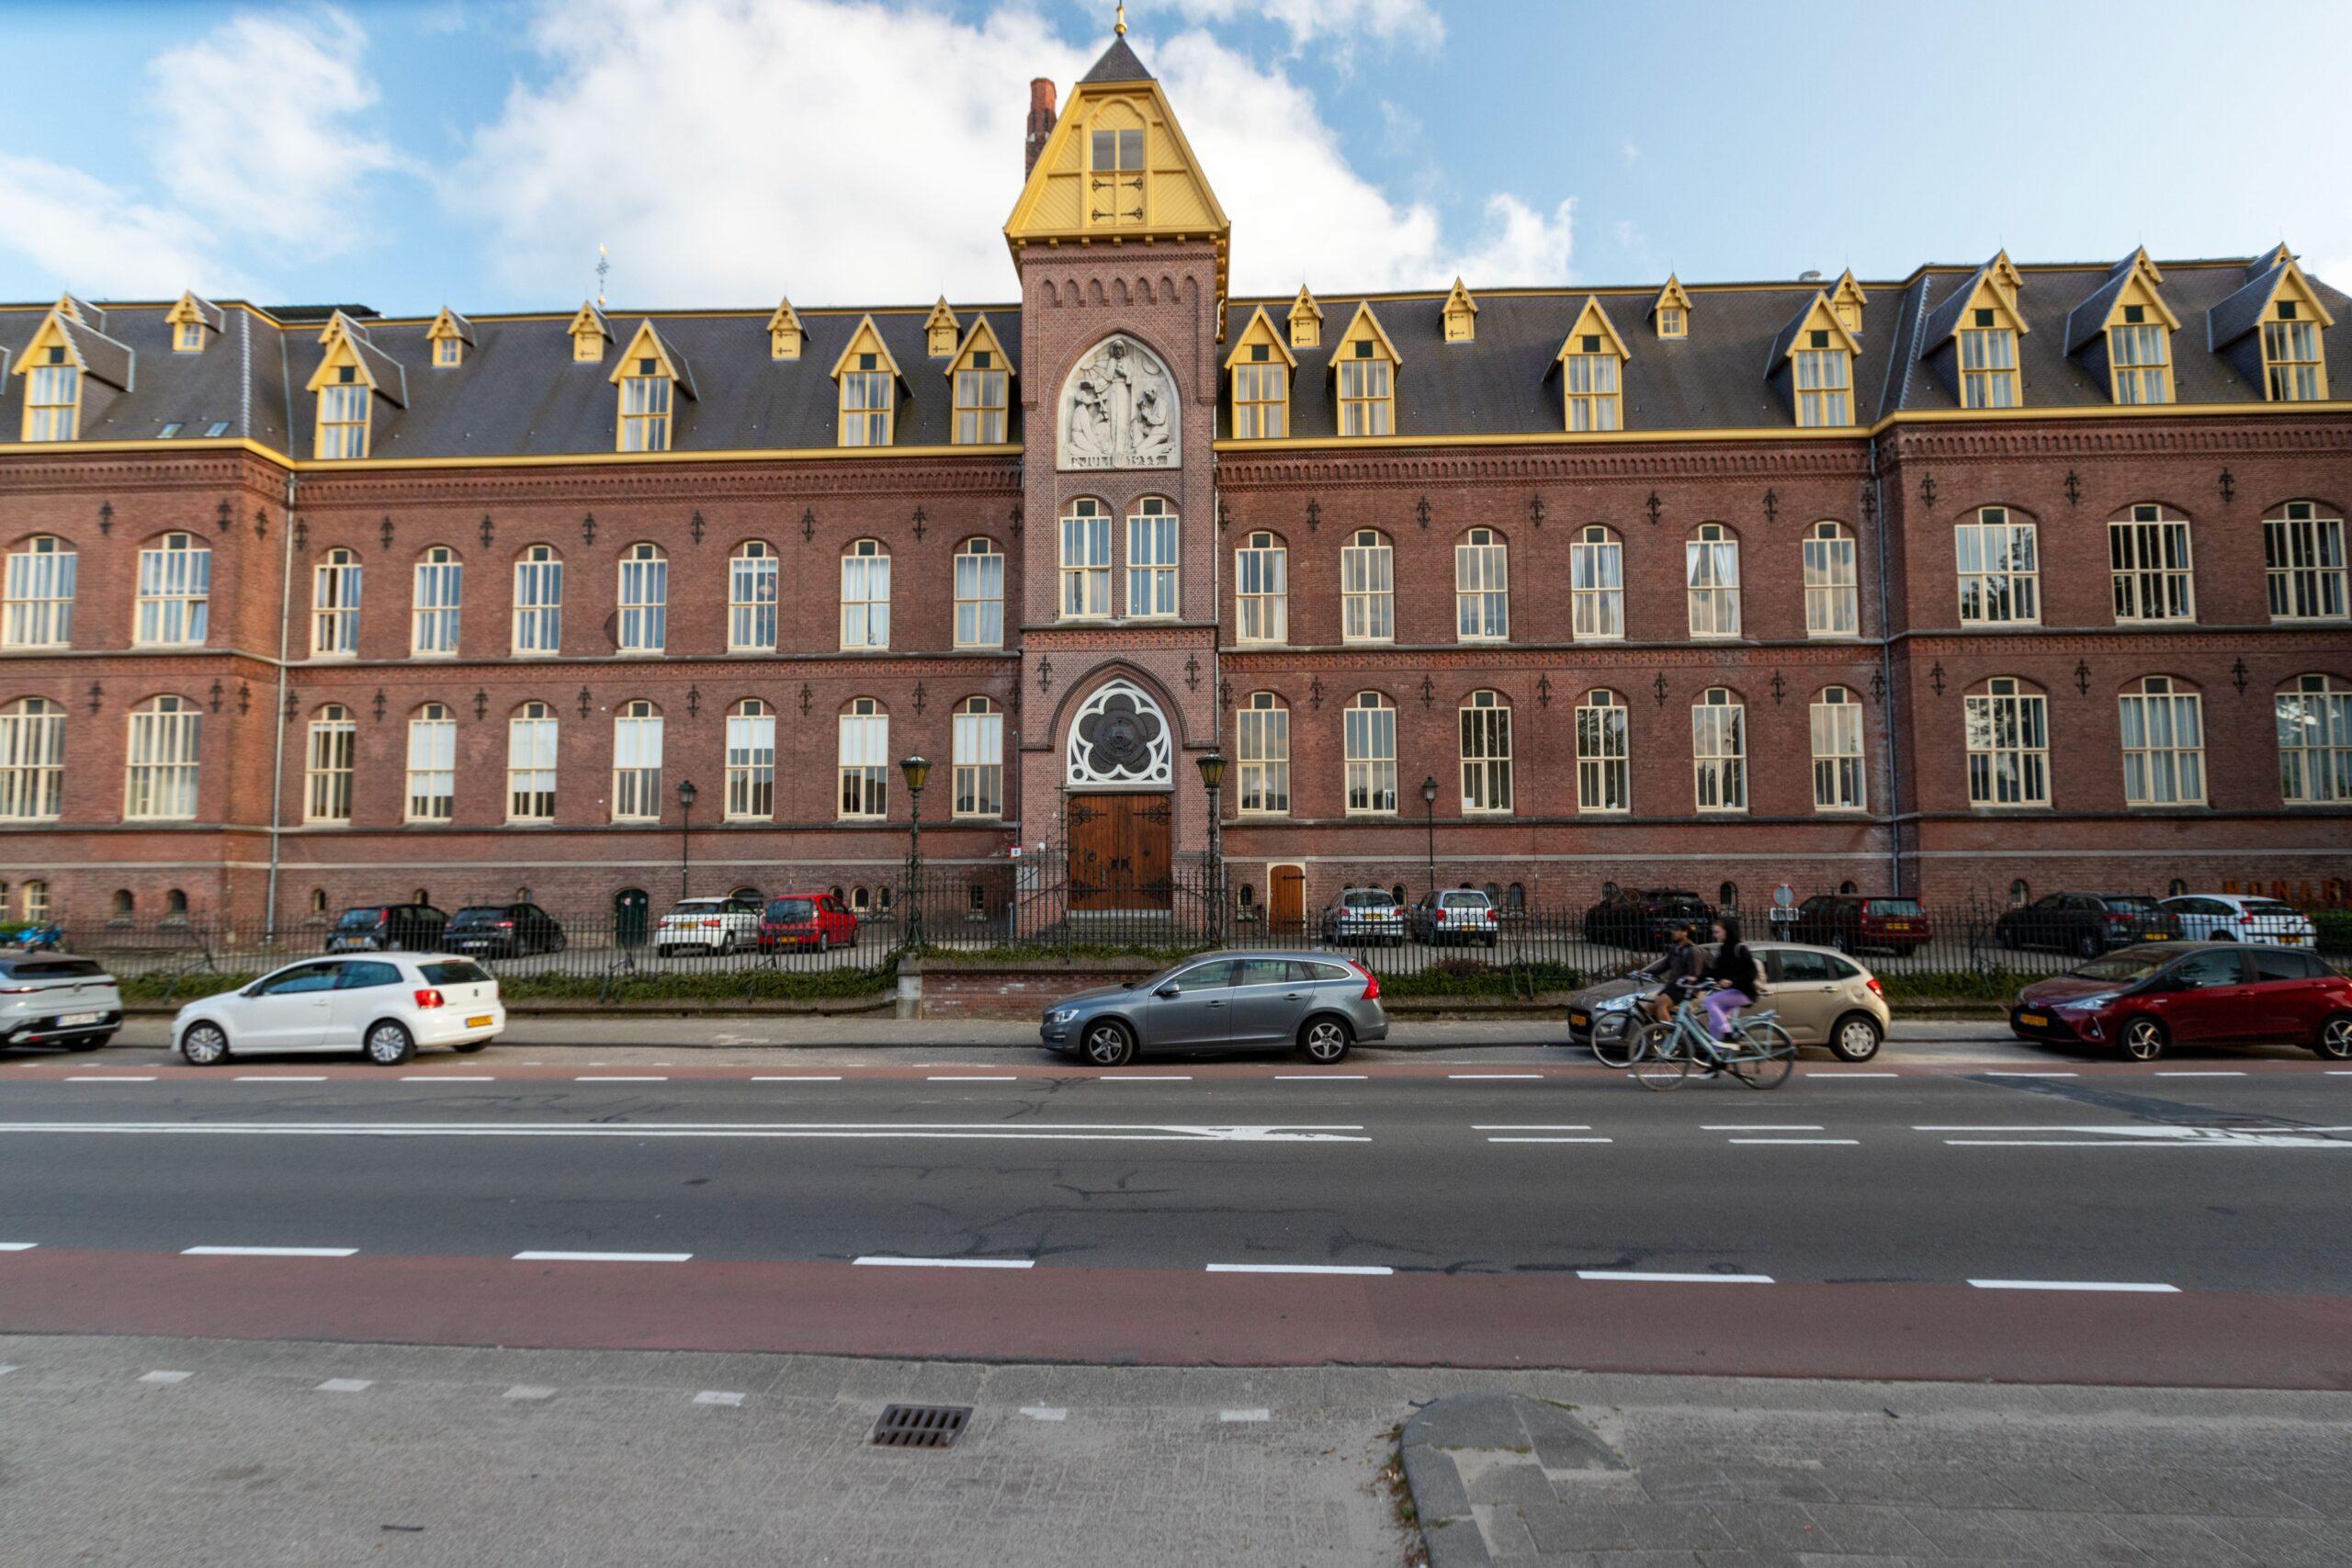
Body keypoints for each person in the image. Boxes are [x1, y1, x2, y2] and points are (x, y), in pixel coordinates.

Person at [1700, 916, 1760, 1044]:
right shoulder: (1723, 949)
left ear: (1727, 931)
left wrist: (1732, 981)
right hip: (1732, 992)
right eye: (1714, 932)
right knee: (1714, 1023)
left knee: (1711, 1001)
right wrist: (1696, 981)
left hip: (1744, 992)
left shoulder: (1739, 948)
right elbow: (1715, 972)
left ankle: (1728, 1033)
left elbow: (1752, 972)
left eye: (1717, 932)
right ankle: (1718, 1057)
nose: (1715, 935)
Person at [1636, 923, 1705, 1024]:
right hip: (1673, 985)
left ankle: (1671, 1036)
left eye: (1676, 930)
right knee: (1650, 1008)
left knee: (1661, 1004)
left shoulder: (1692, 950)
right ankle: (1655, 1032)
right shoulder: (1674, 948)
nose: (1672, 932)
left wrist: (1686, 985)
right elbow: (1663, 965)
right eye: (1672, 929)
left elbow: (1695, 973)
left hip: (1685, 987)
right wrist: (1643, 972)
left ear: (1685, 932)